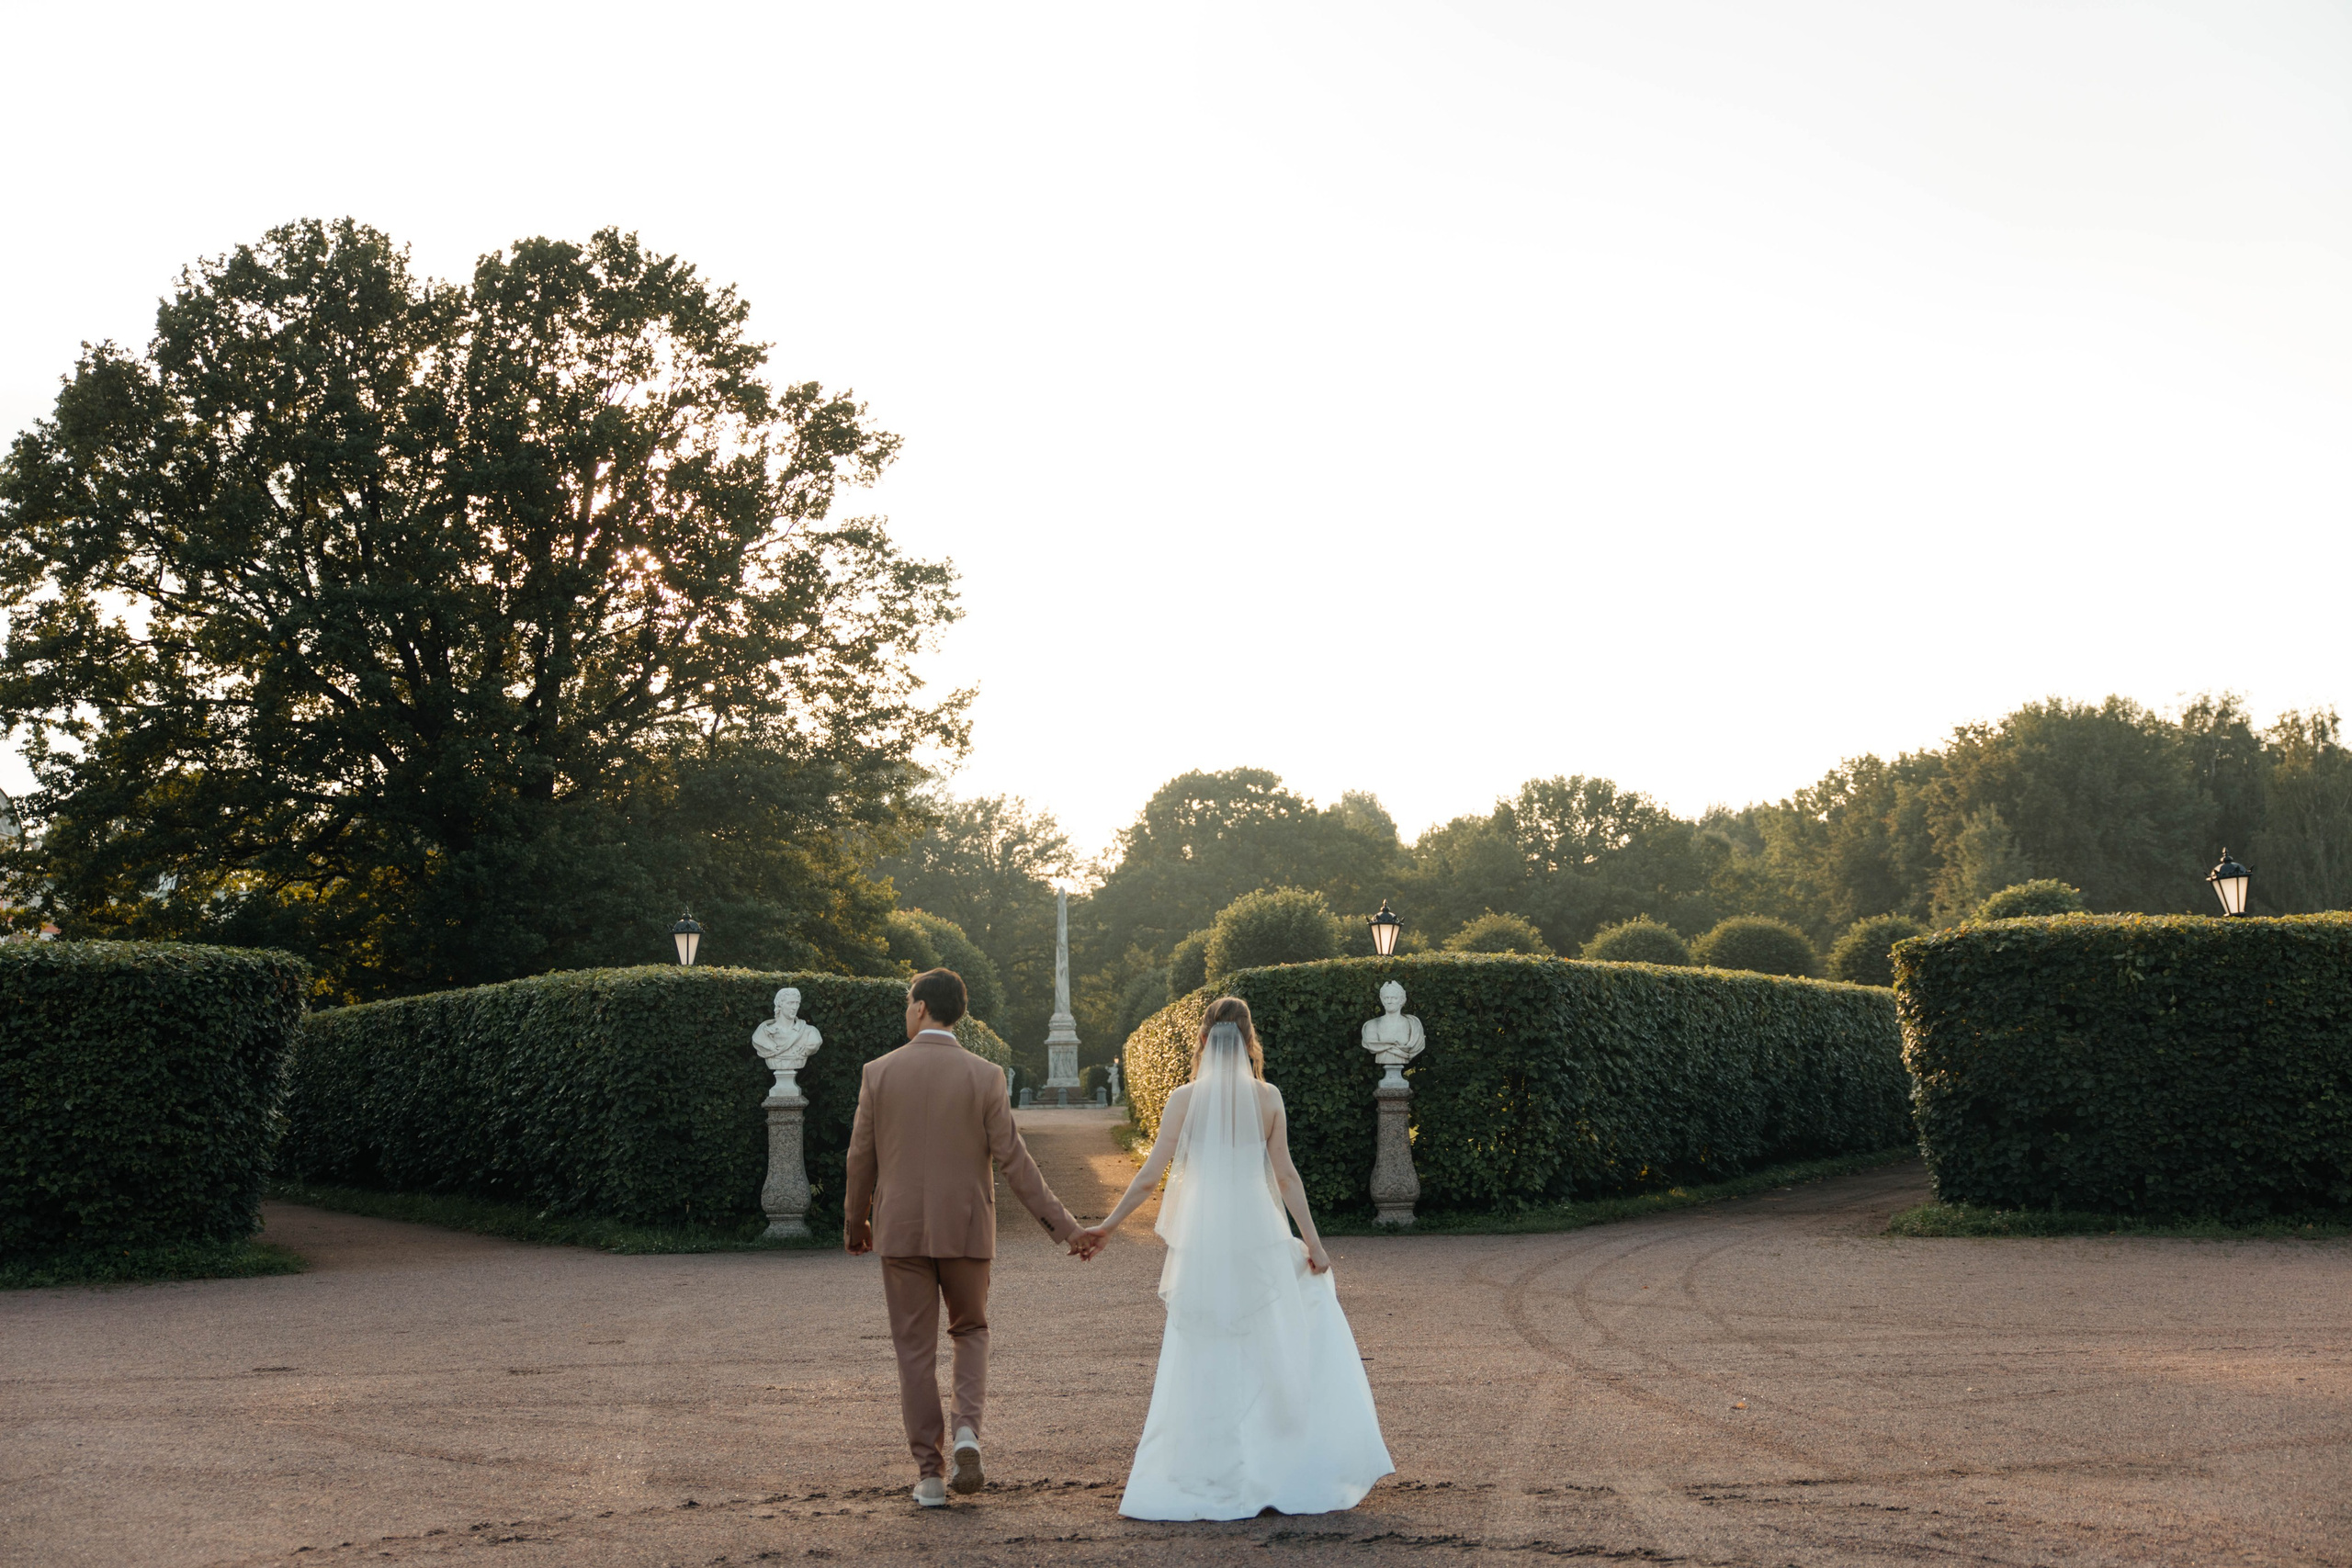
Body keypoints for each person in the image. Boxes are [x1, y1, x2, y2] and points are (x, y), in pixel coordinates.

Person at [1075, 997, 1394, 1520]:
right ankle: (1276, 1462)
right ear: (1249, 1042)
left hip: (1204, 1238)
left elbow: (1151, 1175)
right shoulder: (1268, 1097)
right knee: (1269, 1342)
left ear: (1203, 1040)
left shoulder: (1184, 1098)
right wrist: (1314, 1244)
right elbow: (1286, 1176)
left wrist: (1108, 1226)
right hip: (1257, 1231)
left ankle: (1207, 1466)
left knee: (1204, 1348)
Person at [844, 968, 1102, 1508]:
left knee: (914, 1351)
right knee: (971, 1330)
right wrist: (1067, 1228)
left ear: (920, 1007)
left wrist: (856, 1223)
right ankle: (966, 1432)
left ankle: (930, 1477)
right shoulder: (986, 1075)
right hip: (966, 1227)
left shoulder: (878, 1073)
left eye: (908, 1001)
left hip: (902, 1230)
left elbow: (860, 1158)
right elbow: (1015, 1162)